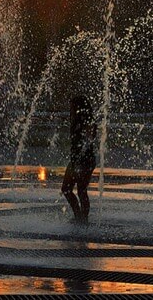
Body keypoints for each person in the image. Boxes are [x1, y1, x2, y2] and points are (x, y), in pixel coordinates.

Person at [61, 95, 97, 223]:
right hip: (76, 159)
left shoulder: (86, 119)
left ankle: (83, 218)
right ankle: (79, 216)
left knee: (81, 190)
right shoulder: (76, 119)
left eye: (72, 105)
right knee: (67, 189)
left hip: (85, 160)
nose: (70, 108)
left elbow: (89, 137)